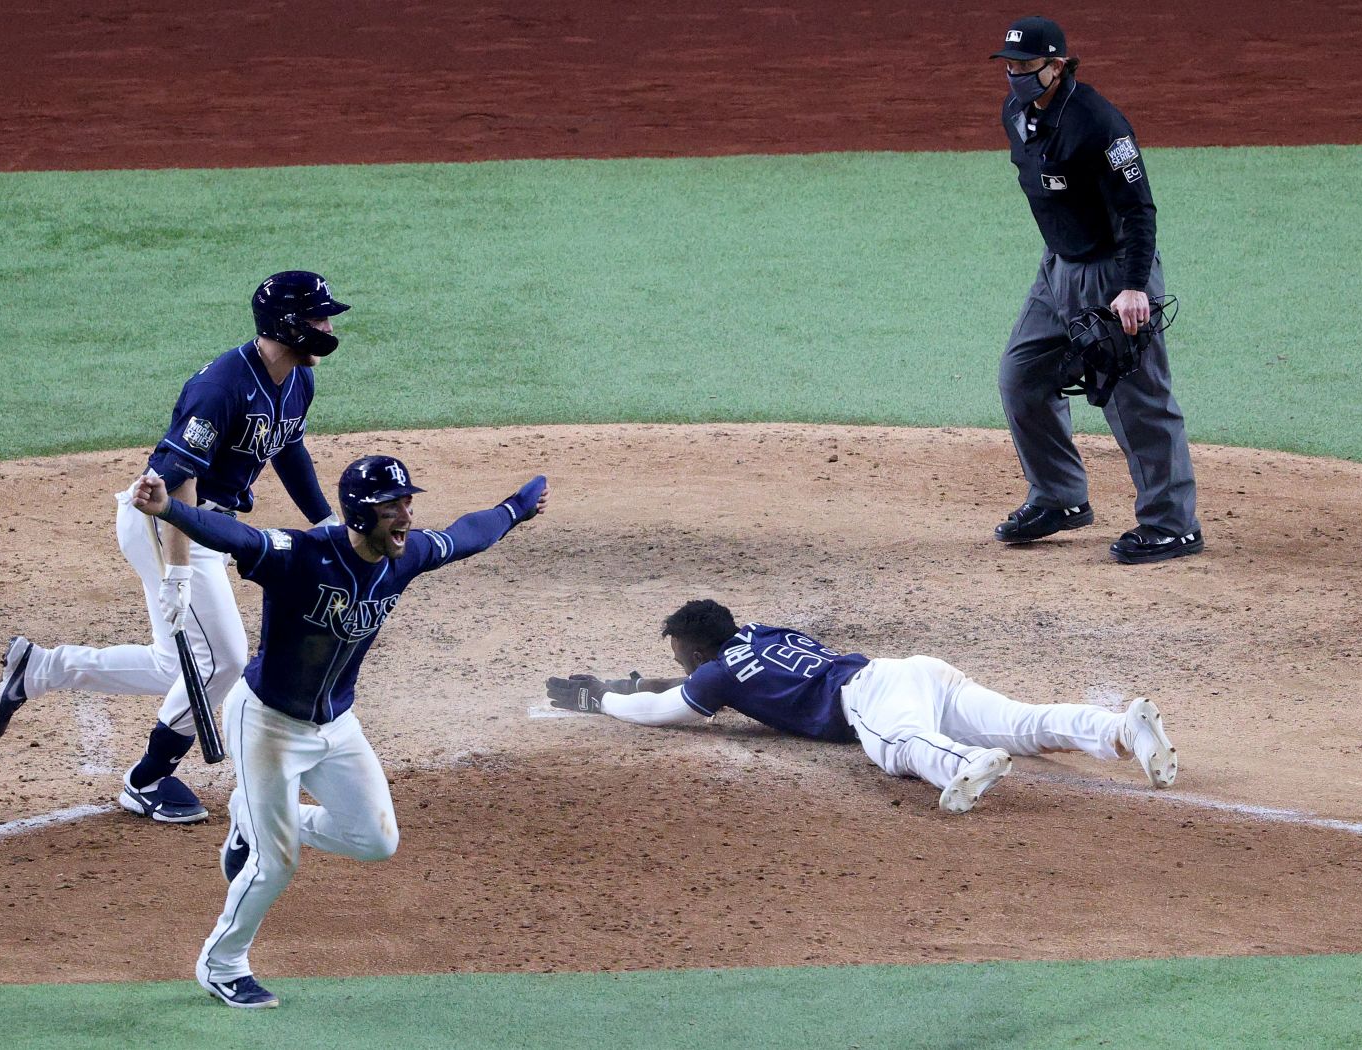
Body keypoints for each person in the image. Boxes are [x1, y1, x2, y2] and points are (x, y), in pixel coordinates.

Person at [132, 455, 547, 1008]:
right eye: (393, 506)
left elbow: (464, 536)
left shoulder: (404, 556)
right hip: (266, 725)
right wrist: (171, 510)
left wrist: (515, 508)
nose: (406, 514)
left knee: (376, 839)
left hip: (336, 726)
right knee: (276, 863)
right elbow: (236, 535)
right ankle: (222, 964)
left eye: (407, 502)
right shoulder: (302, 557)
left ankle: (249, 818)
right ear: (359, 512)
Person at [0, 271, 351, 824]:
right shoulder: (222, 386)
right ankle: (146, 780)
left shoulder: (298, 380)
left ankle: (38, 670)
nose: (328, 328)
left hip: (207, 527)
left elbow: (287, 446)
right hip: (166, 522)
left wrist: (324, 519)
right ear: (287, 324)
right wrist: (179, 574)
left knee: (175, 666)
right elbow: (178, 479)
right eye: (318, 318)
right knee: (223, 660)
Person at [547, 599, 1176, 814]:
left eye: (682, 655)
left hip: (866, 699)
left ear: (698, 650)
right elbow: (703, 678)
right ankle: (1123, 729)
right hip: (913, 671)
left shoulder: (713, 676)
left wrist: (599, 698)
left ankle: (965, 765)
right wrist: (632, 679)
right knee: (1025, 722)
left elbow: (664, 710)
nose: (681, 664)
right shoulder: (758, 635)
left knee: (899, 748)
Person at [989, 16, 1202, 564]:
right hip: (1058, 268)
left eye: (1025, 66)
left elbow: (1139, 209)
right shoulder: (1017, 114)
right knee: (1023, 375)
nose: (1014, 75)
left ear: (1056, 66)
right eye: (1008, 66)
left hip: (1115, 274)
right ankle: (1059, 497)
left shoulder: (1101, 124)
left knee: (1138, 402)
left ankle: (1172, 525)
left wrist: (1133, 287)